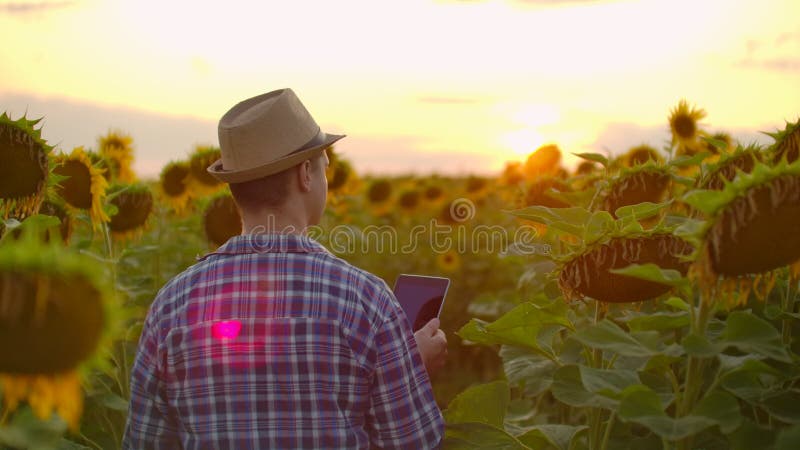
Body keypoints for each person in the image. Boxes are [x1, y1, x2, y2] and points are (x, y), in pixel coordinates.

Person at [122, 88, 448, 449]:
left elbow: (144, 442)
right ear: (305, 174)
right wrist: (409, 371)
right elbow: (412, 444)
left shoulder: (172, 305)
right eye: (324, 164)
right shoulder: (366, 300)